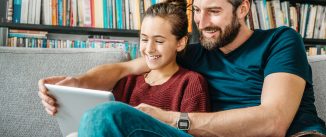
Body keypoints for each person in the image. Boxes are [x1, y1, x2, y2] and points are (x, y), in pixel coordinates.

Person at [38, 0, 326, 136]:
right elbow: (123, 70)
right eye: (197, 11)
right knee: (101, 120)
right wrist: (76, 83)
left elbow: (273, 122)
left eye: (214, 11)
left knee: (106, 117)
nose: (202, 22)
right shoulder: (194, 53)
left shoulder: (280, 40)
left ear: (243, 9)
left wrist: (172, 118)